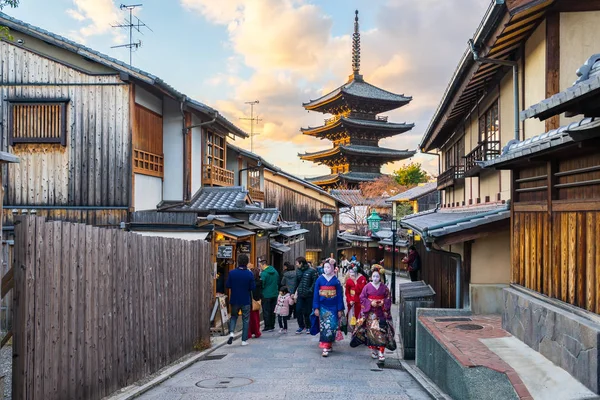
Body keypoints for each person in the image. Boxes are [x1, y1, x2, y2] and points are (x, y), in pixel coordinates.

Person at [351, 270, 394, 361]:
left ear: (381, 277)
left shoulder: (385, 288)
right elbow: (362, 297)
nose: (375, 278)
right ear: (370, 277)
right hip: (371, 314)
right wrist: (370, 303)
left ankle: (381, 352)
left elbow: (388, 298)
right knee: (371, 332)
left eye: (377, 276)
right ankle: (374, 350)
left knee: (382, 332)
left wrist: (383, 302)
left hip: (381, 313)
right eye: (373, 276)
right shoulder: (367, 287)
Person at [313, 262, 345, 357]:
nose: (326, 269)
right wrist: (316, 307)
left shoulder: (336, 281)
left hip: (333, 306)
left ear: (333, 268)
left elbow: (339, 296)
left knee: (332, 325)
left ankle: (329, 343)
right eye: (325, 267)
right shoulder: (319, 279)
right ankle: (325, 346)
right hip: (323, 306)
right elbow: (315, 295)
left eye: (328, 267)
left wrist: (340, 309)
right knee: (324, 326)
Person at [225, 254, 255, 346]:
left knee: (234, 317)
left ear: (238, 262)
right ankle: (244, 340)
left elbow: (227, 285)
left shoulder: (232, 272)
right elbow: (253, 287)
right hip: (245, 299)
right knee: (245, 319)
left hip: (234, 299)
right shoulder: (249, 274)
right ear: (246, 262)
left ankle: (231, 333)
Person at [294, 256, 318, 334]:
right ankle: (301, 326)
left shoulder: (312, 271)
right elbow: (296, 282)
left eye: (297, 263)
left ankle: (308, 326)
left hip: (309, 295)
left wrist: (310, 290)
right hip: (300, 293)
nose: (296, 264)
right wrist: (292, 292)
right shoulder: (298, 271)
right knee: (298, 310)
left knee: (307, 311)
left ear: (301, 263)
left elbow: (315, 282)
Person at [260, 259, 279, 332]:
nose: (260, 267)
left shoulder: (264, 273)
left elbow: (262, 284)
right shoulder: (275, 271)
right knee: (272, 310)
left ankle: (267, 326)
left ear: (263, 265)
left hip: (266, 294)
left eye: (260, 265)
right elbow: (278, 281)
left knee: (266, 311)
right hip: (274, 293)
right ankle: (272, 325)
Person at [249, 263, 262, 339]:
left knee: (250, 319)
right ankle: (257, 332)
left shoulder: (251, 283)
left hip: (250, 301)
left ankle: (250, 332)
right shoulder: (260, 282)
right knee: (256, 318)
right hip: (257, 301)